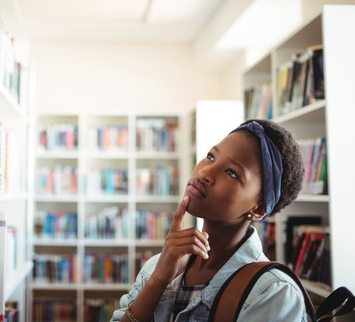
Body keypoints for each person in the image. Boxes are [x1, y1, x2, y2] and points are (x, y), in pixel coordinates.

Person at [111, 119, 307, 322]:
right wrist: (158, 280)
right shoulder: (157, 266)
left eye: (231, 173)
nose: (204, 172)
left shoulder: (273, 292)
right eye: (211, 156)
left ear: (258, 209)